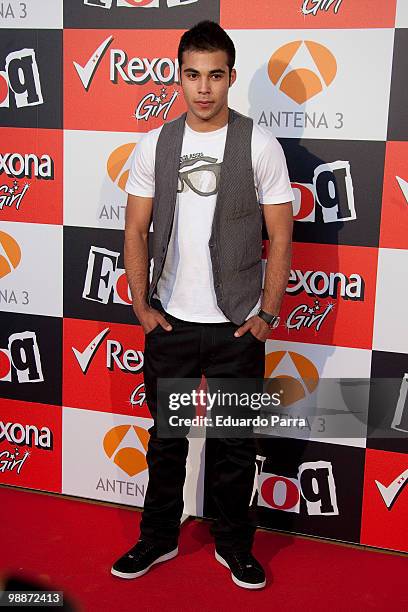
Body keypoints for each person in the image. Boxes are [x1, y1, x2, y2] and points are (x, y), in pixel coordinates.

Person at [111, 20, 294, 590]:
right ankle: (158, 537)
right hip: (169, 320)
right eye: (193, 75)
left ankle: (235, 545)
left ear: (231, 77)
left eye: (215, 75)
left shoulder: (259, 144)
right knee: (166, 440)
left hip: (237, 326)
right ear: (180, 77)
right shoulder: (156, 143)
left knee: (234, 444)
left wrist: (266, 314)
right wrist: (142, 305)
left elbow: (281, 237)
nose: (204, 88)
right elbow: (136, 228)